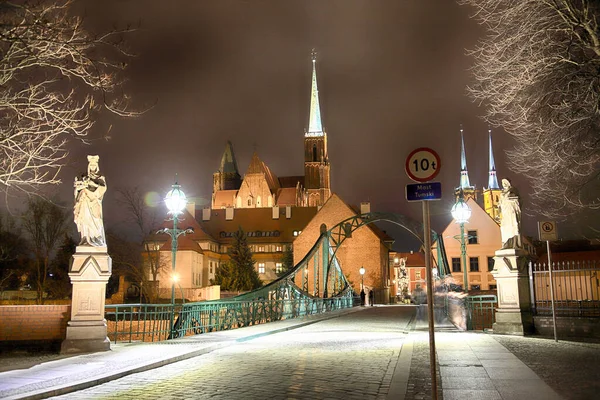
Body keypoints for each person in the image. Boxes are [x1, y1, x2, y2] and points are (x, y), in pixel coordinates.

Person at [74, 155, 107, 247]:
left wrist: (94, 184)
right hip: (85, 202)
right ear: (89, 166)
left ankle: (96, 238)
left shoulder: (100, 177)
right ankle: (85, 238)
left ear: (97, 166)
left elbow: (103, 188)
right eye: (91, 165)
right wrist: (78, 187)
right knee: (85, 219)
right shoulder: (84, 176)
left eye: (94, 165)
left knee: (96, 221)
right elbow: (77, 190)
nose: (93, 167)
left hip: (95, 203)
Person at [498, 178, 522, 249]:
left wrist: (512, 199)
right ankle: (506, 243)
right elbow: (500, 203)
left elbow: (518, 200)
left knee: (513, 226)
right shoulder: (502, 193)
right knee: (504, 228)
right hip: (505, 213)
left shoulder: (513, 190)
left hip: (511, 212)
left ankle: (514, 244)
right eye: (503, 183)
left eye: (506, 183)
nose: (504, 185)